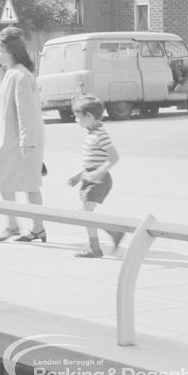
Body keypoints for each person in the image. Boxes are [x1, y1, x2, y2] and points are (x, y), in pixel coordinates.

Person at [0, 27, 47, 243]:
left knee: (27, 184)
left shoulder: (19, 75)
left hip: (21, 142)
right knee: (7, 182)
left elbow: (27, 112)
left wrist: (27, 142)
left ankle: (33, 228)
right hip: (14, 140)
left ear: (10, 50)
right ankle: (16, 225)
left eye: (0, 50)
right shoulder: (14, 73)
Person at [68, 94, 124, 258]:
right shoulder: (92, 133)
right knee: (83, 213)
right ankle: (112, 233)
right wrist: (79, 176)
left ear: (89, 116)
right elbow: (91, 162)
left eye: (78, 117)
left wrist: (99, 173)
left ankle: (96, 247)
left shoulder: (100, 134)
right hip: (90, 178)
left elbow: (114, 157)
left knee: (84, 213)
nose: (76, 120)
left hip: (98, 180)